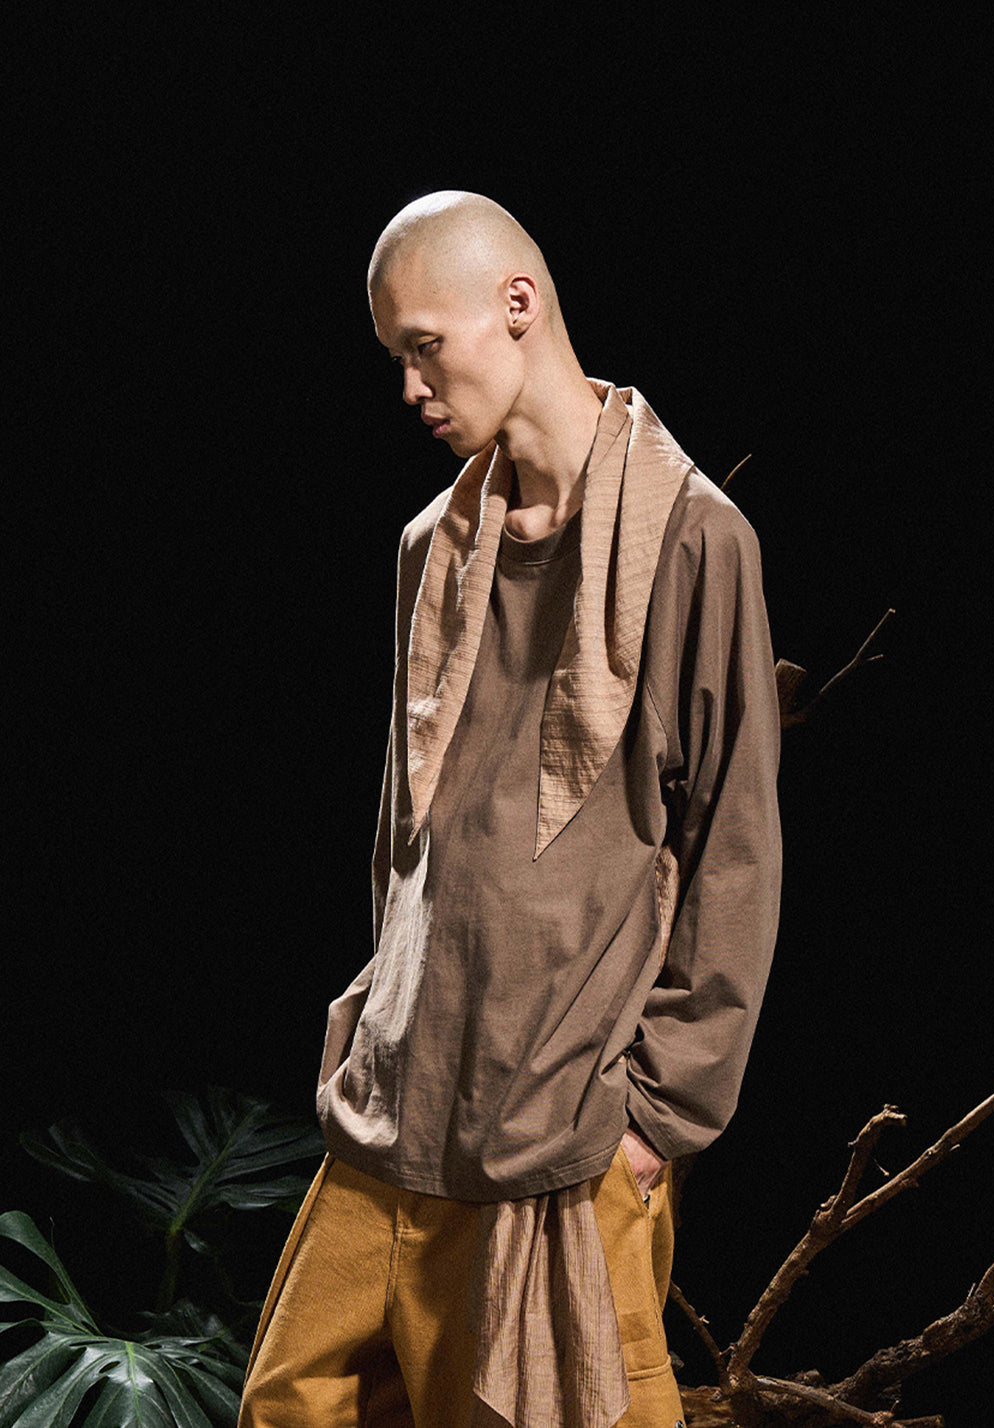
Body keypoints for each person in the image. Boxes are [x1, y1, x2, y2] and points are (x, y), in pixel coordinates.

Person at [239, 191, 782, 1428]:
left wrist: (659, 1117)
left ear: (519, 305)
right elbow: (406, 838)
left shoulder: (696, 541)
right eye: (398, 358)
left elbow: (734, 849)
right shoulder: (431, 548)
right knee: (288, 1407)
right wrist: (379, 1018)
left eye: (424, 346)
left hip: (564, 1135)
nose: (411, 387)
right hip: (395, 1111)